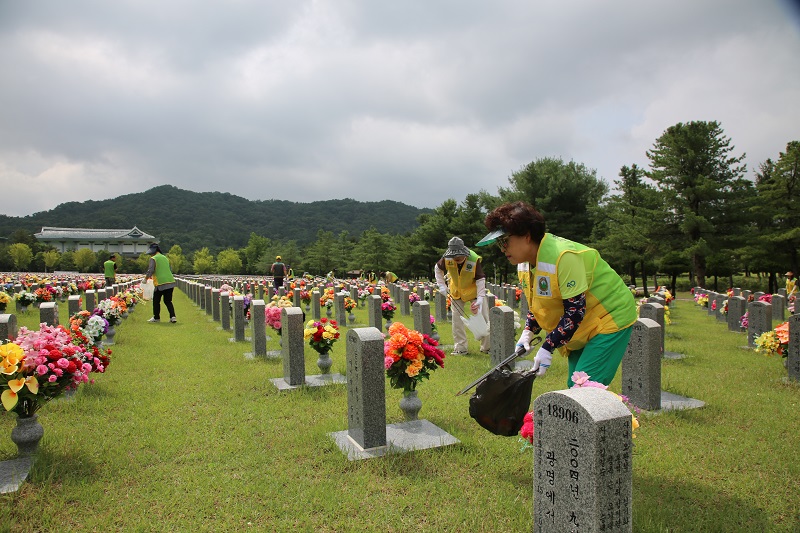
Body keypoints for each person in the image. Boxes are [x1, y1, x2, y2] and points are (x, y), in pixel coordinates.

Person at [477, 201, 637, 387]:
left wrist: (548, 346)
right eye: (499, 243)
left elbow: (575, 311)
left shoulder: (563, 257)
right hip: (583, 325)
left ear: (527, 236)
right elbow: (539, 303)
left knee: (585, 388)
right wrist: (529, 331)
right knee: (575, 384)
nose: (503, 249)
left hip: (610, 317)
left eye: (505, 241)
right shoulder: (524, 264)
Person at [434, 237, 490, 355]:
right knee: (457, 320)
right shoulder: (447, 258)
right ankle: (460, 348)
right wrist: (442, 286)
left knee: (484, 316)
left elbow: (480, 279)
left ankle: (487, 347)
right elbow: (438, 269)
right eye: (455, 257)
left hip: (474, 291)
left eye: (459, 256)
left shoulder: (474, 259)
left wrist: (480, 299)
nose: (457, 259)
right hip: (456, 291)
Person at [144, 243, 177, 323]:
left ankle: (156, 317)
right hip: (170, 281)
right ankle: (173, 317)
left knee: (156, 301)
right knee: (168, 301)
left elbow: (151, 270)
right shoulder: (165, 257)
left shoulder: (153, 258)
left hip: (160, 283)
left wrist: (146, 278)